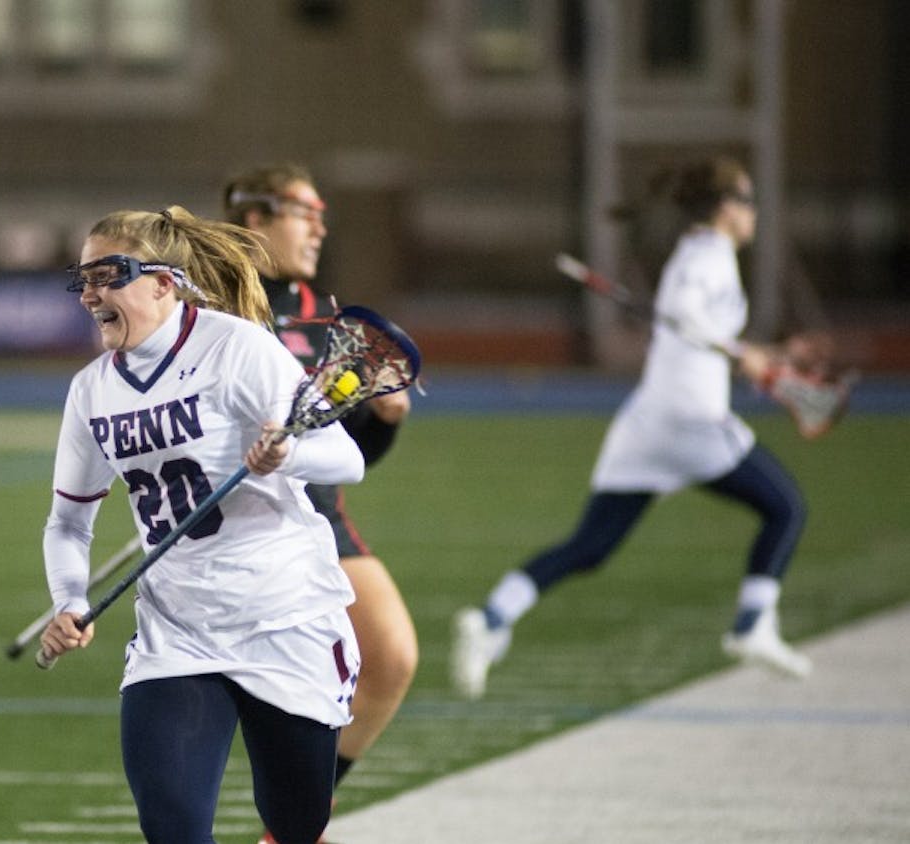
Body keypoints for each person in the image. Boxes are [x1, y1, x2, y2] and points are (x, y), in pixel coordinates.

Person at [39, 206, 365, 844]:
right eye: (81, 279)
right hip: (178, 632)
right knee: (173, 830)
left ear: (164, 281)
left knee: (298, 825)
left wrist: (286, 452)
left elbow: (346, 457)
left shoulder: (238, 348)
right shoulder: (91, 390)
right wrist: (69, 600)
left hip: (283, 616)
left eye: (108, 275)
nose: (90, 294)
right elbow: (69, 524)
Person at [450, 155, 812, 700]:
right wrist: (741, 351)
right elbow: (687, 311)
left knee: (591, 546)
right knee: (786, 508)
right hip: (691, 420)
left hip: (649, 422)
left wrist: (762, 355)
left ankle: (492, 618)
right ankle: (752, 626)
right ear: (724, 208)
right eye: (748, 200)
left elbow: (697, 324)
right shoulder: (708, 256)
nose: (755, 211)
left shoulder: (700, 253)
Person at [223, 164, 419, 801]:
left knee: (390, 659)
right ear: (257, 218)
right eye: (306, 213)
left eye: (322, 216)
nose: (320, 228)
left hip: (316, 517)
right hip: (236, 519)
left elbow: (347, 453)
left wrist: (382, 421)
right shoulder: (214, 310)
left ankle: (294, 818)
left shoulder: (330, 324)